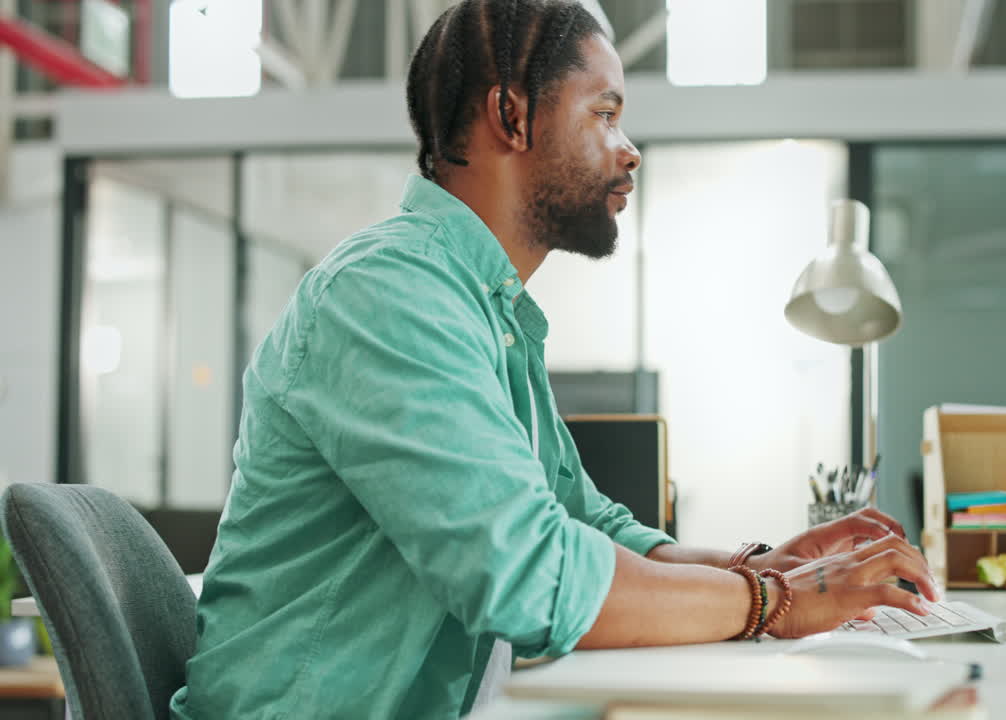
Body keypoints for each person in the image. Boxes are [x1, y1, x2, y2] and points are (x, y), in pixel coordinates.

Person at [169, 2, 940, 718]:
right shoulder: (387, 294)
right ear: (512, 115)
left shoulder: (488, 309)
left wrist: (757, 566)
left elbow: (579, 520)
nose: (629, 151)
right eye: (604, 113)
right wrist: (771, 603)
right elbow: (531, 575)